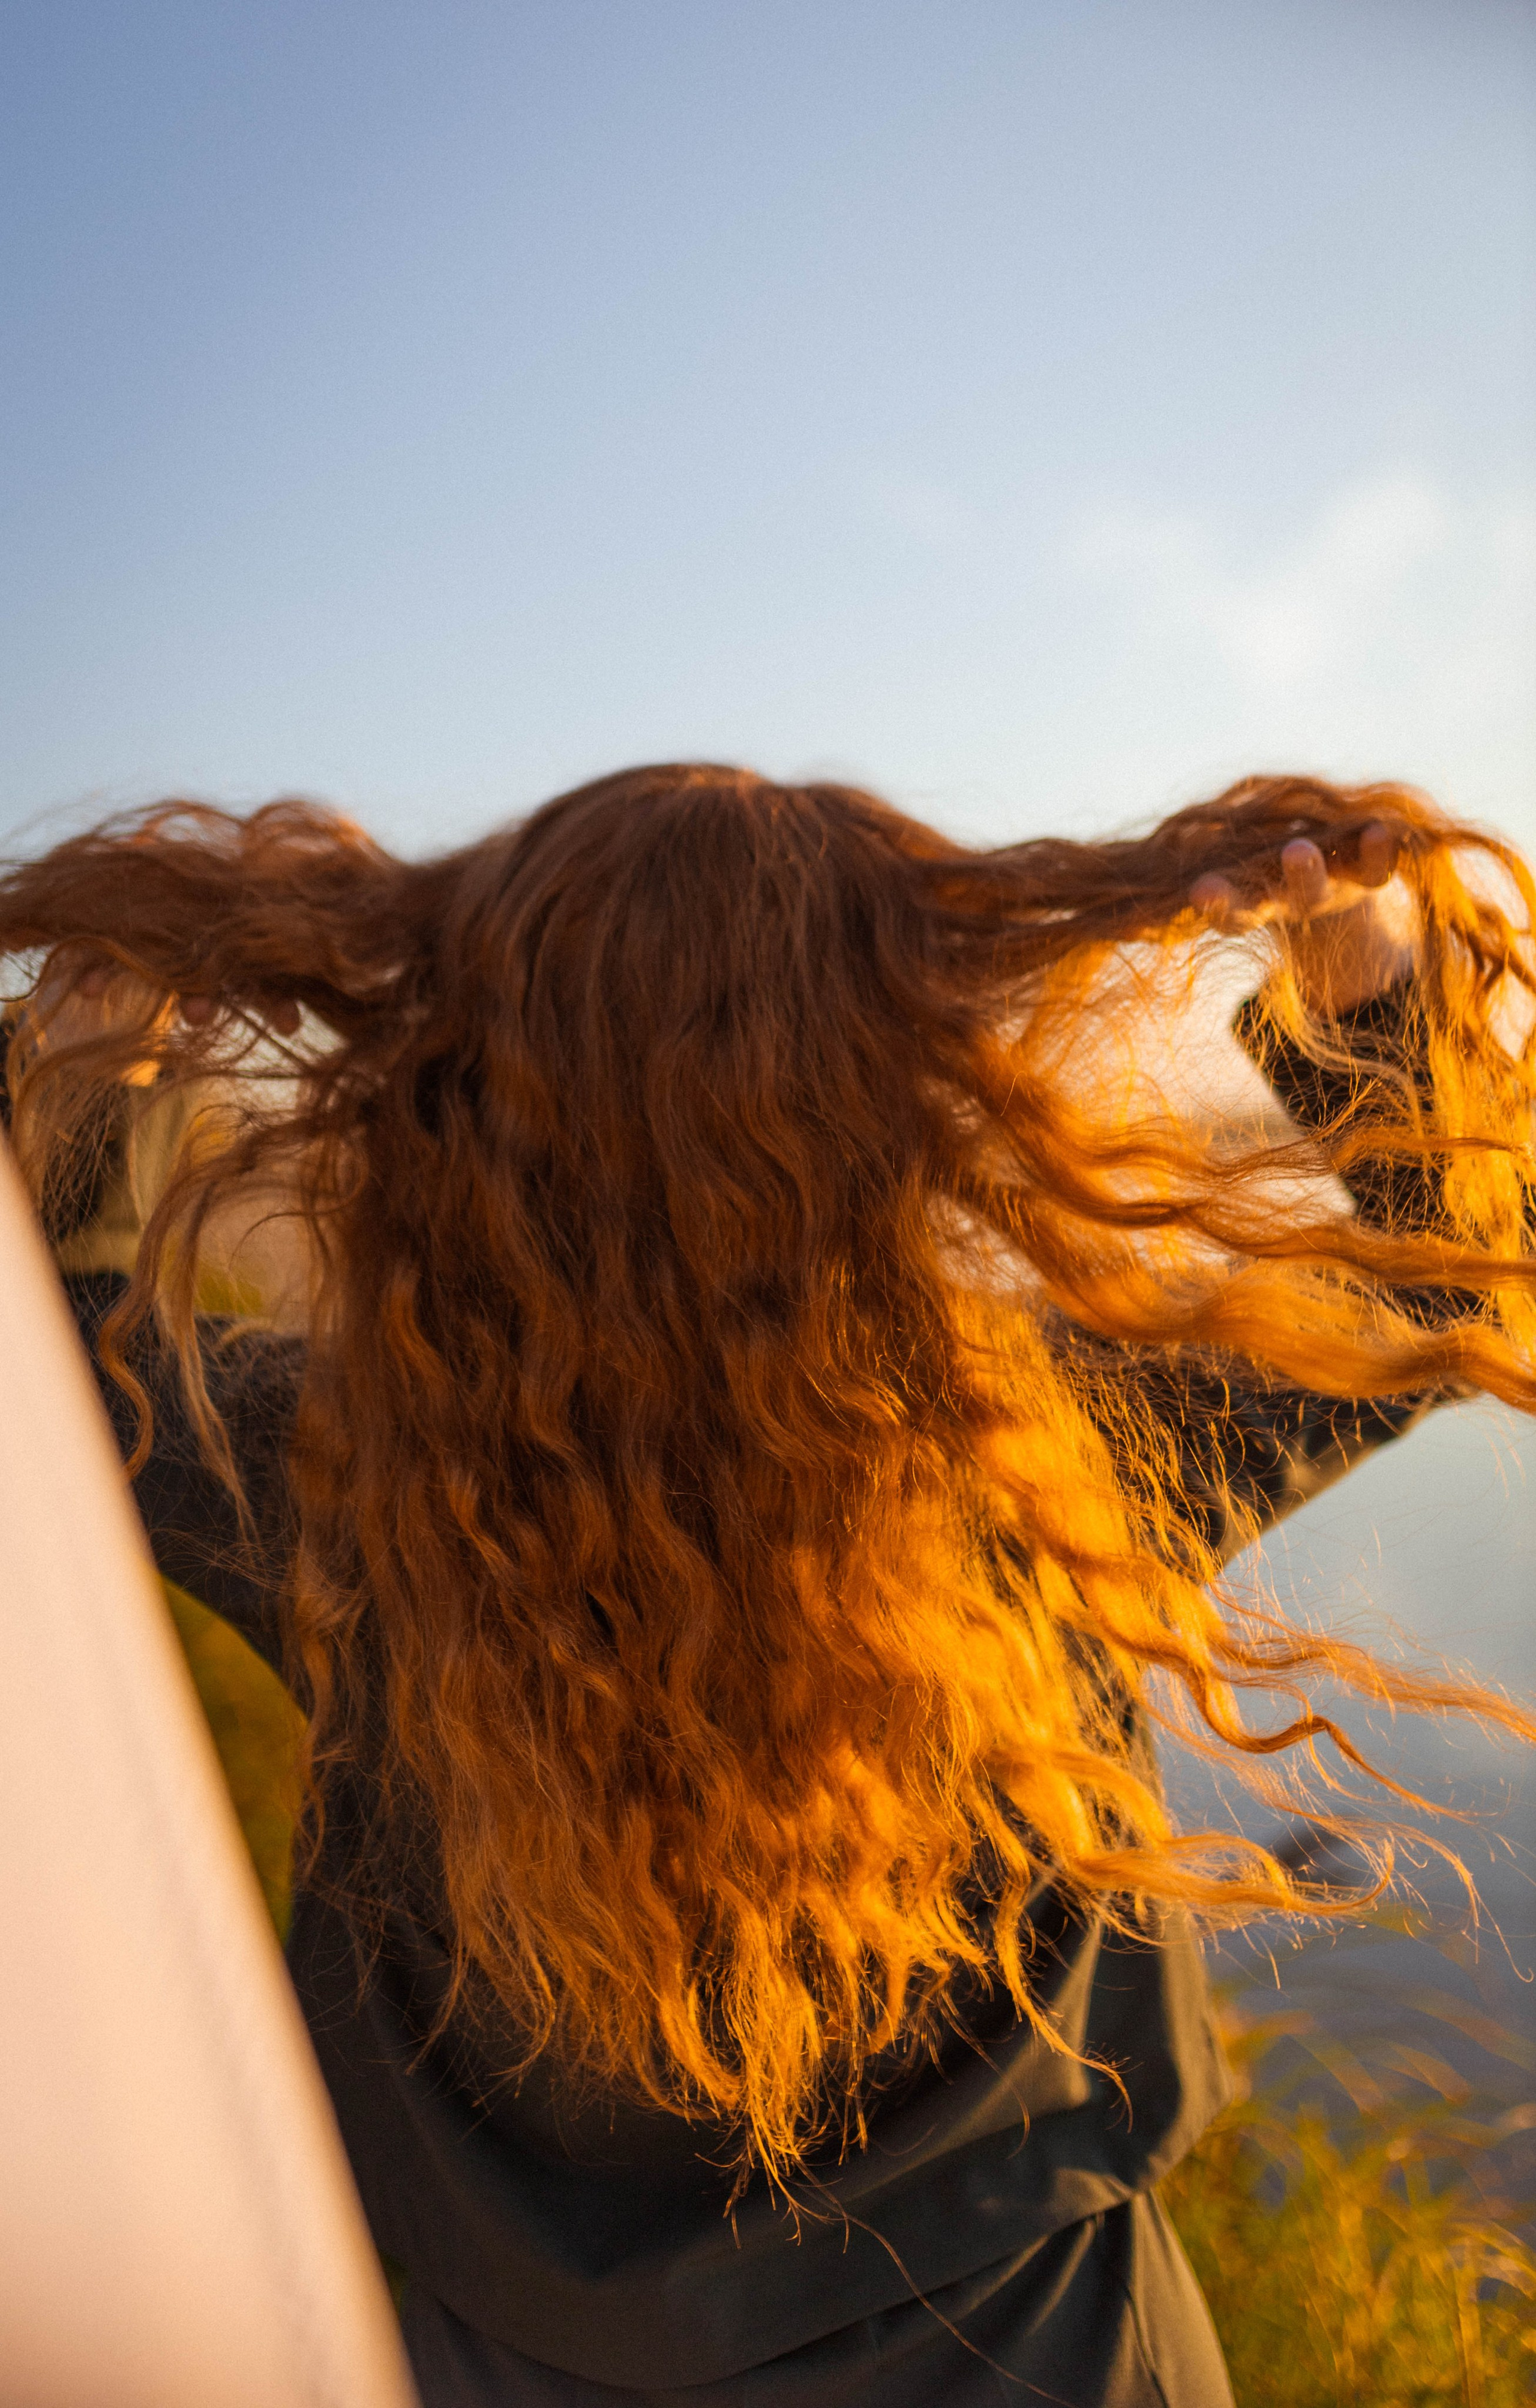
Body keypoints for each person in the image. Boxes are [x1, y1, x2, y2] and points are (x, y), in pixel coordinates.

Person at [2, 764, 1534, 2408]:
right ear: (891, 1094)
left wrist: (81, 1079)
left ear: (449, 1111)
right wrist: (1374, 982)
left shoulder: (334, 1482)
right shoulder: (1037, 1455)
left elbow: (49, 1366)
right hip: (1053, 2363)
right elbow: (1458, 1283)